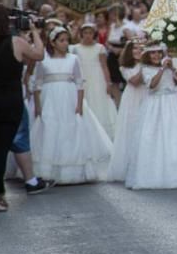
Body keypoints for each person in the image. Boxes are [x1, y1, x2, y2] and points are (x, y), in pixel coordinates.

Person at [0, 4, 48, 211]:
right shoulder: (15, 42)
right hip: (8, 102)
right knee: (0, 151)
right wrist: (34, 31)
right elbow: (39, 54)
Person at [31, 26, 113, 184]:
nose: (65, 43)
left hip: (69, 98)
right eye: (61, 40)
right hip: (50, 99)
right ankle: (50, 170)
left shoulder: (73, 59)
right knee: (51, 130)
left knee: (71, 130)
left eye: (67, 40)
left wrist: (79, 104)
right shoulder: (44, 60)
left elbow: (79, 83)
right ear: (53, 43)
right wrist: (38, 106)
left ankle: (73, 170)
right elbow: (37, 85)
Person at [126, 44, 177, 189]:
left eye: (158, 53)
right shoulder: (146, 69)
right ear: (148, 56)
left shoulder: (171, 67)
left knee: (174, 136)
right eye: (153, 53)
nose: (156, 56)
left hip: (173, 103)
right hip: (155, 104)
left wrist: (172, 69)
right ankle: (154, 174)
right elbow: (152, 85)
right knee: (153, 137)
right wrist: (162, 69)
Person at [108, 39, 147, 182]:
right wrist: (145, 65)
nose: (138, 51)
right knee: (132, 129)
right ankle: (130, 166)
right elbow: (135, 81)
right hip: (133, 100)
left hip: (148, 97)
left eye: (141, 48)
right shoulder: (125, 67)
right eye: (135, 48)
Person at [71, 23, 117, 141]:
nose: (87, 35)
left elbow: (104, 66)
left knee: (99, 101)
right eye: (85, 33)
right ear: (81, 34)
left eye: (90, 33)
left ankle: (101, 131)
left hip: (97, 78)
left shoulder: (100, 48)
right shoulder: (75, 48)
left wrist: (108, 83)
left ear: (94, 34)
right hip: (83, 77)